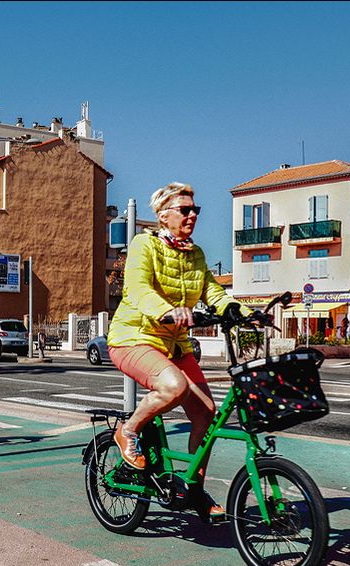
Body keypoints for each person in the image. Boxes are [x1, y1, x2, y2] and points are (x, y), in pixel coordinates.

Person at [106, 182, 252, 520]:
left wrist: (247, 312)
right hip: (133, 337)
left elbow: (214, 294)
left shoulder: (196, 253)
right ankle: (127, 431)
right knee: (174, 387)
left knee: (206, 414)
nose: (192, 215)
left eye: (195, 210)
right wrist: (167, 310)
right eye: (184, 210)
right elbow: (139, 289)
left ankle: (194, 489)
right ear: (163, 215)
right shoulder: (145, 244)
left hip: (175, 345)